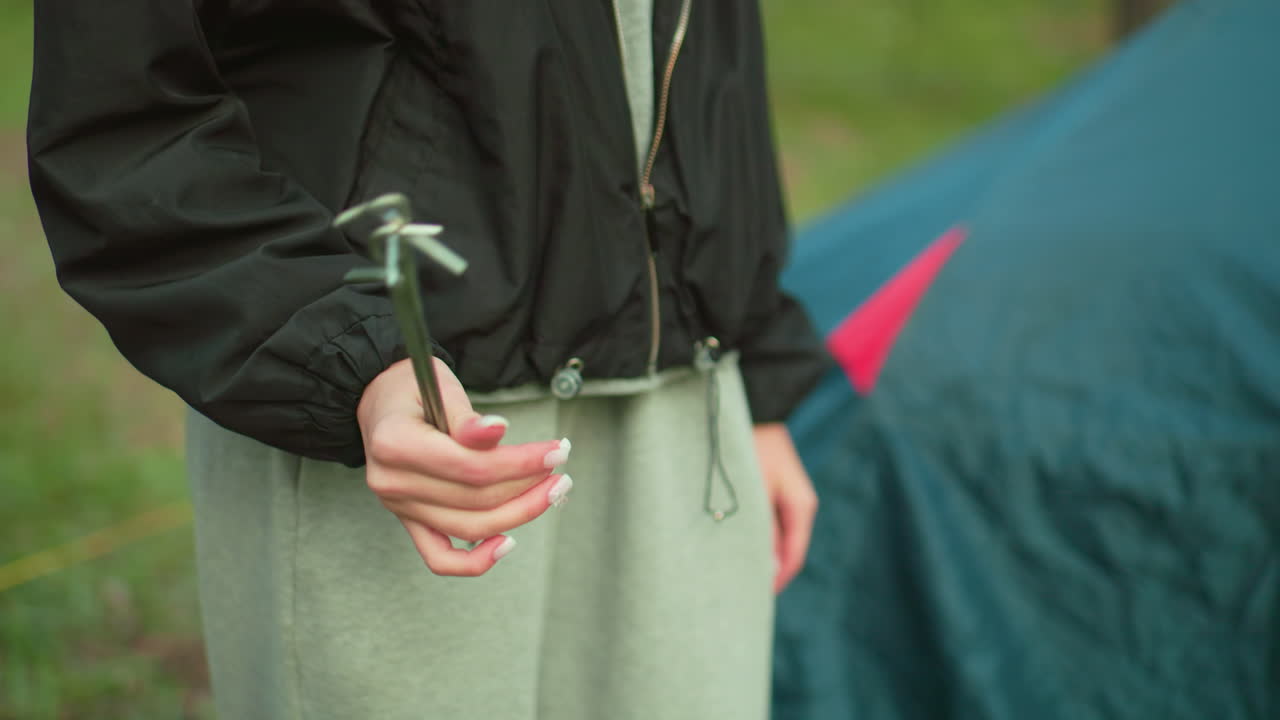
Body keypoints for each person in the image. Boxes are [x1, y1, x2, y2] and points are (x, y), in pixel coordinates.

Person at [28, 1, 829, 717]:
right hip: (408, 427)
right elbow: (127, 115)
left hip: (694, 411)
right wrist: (344, 353)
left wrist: (755, 362)